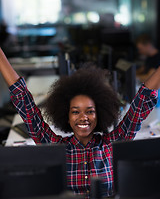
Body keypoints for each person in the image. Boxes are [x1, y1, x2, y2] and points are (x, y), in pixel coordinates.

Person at [0, 47, 159, 198]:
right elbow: (25, 104)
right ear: (66, 116)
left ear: (99, 114)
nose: (83, 117)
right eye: (75, 112)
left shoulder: (112, 144)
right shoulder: (56, 148)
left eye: (90, 111)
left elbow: (142, 101)